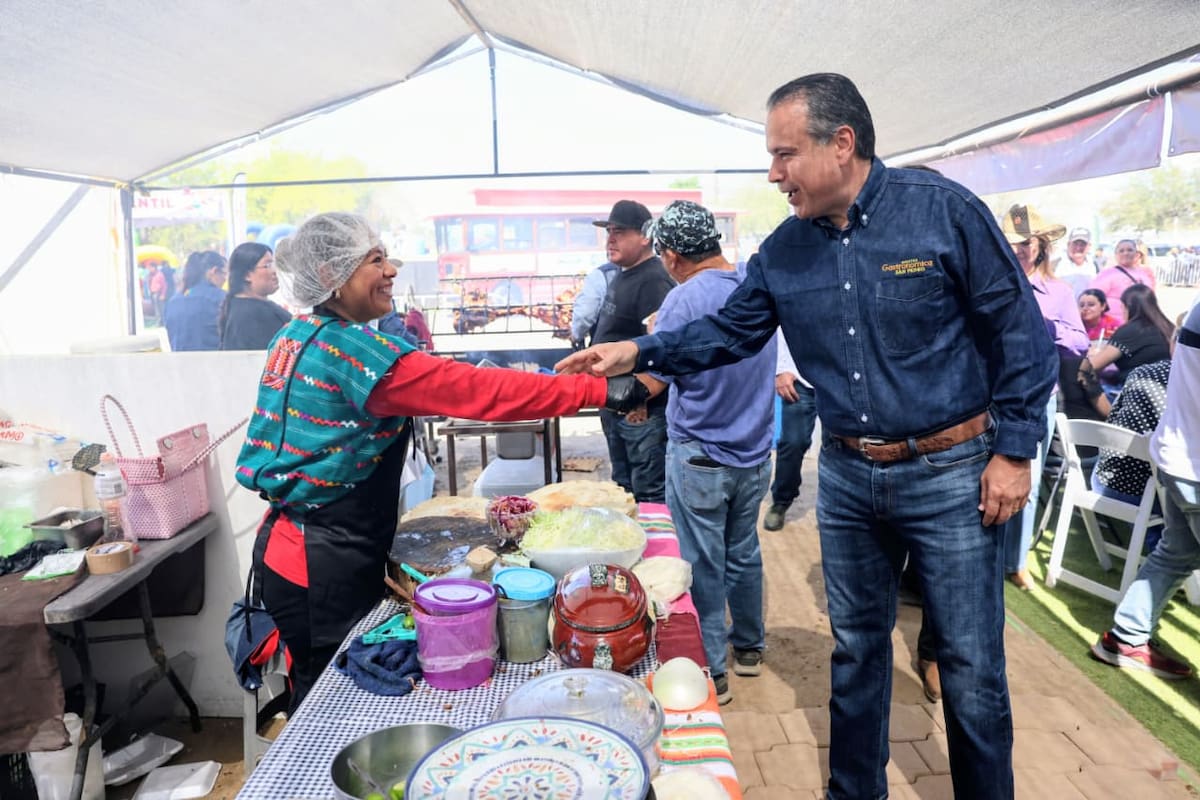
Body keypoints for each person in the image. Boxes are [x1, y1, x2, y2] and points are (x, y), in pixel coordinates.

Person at [557, 73, 1056, 800]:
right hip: (850, 474)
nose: (774, 172)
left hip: (953, 470)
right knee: (856, 651)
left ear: (842, 143)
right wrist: (637, 352)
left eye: (786, 153)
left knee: (973, 665)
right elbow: (730, 331)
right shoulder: (786, 250)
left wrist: (1014, 452)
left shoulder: (941, 212)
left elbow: (1021, 335)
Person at [234, 212, 649, 710]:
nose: (391, 271)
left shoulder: (300, 335)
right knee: (332, 697)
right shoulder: (353, 353)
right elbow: (479, 391)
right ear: (331, 277)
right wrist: (601, 389)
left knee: (321, 681)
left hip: (298, 548)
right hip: (319, 564)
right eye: (375, 260)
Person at [632, 200, 776, 705]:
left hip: (701, 458)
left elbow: (656, 377)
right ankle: (751, 649)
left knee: (701, 564)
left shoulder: (683, 301)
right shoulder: (753, 291)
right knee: (744, 552)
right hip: (756, 455)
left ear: (671, 255)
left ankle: (712, 671)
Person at [1090, 302, 1200, 680]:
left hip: (1175, 460)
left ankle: (1125, 638)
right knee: (1176, 553)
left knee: (1177, 553)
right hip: (1188, 466)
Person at [998, 203, 1089, 590]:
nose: (1018, 248)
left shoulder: (1058, 292)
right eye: (1012, 242)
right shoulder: (991, 283)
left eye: (1025, 242)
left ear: (1040, 246)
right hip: (988, 396)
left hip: (1036, 398)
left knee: (1028, 482)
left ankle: (1015, 561)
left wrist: (1049, 326)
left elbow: (1080, 343)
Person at [590, 200, 675, 503]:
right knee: (623, 486)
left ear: (645, 236)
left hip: (639, 409)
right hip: (617, 401)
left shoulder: (653, 280)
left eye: (620, 232)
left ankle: (654, 549)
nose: (610, 239)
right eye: (609, 232)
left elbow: (662, 345)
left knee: (647, 492)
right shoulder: (624, 273)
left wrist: (640, 399)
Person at [1090, 359, 1170, 553]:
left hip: (1103, 481)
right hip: (1147, 495)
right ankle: (1162, 554)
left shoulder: (1143, 371)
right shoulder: (1190, 384)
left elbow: (1112, 420)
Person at [1077, 284, 1174, 412]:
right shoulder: (1168, 328)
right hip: (1166, 394)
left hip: (1134, 396)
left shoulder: (1131, 330)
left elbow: (1092, 366)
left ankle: (1109, 419)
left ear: (1127, 307)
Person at [762, 335, 817, 532]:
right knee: (793, 442)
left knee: (841, 447)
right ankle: (782, 500)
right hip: (798, 378)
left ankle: (835, 509)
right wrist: (780, 370)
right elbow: (781, 327)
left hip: (839, 378)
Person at [220, 243, 292, 350]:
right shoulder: (251, 314)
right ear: (247, 275)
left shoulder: (243, 306)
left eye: (273, 265)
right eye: (267, 266)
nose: (274, 271)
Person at [163, 251, 227, 351]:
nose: (225, 279)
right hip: (213, 363)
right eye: (224, 273)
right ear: (214, 271)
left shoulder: (173, 302)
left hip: (179, 363)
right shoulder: (221, 298)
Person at [1089, 238, 1156, 322]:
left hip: (1140, 323)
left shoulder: (1144, 274)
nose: (1126, 253)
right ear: (1116, 255)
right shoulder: (1106, 274)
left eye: (1130, 250)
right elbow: (1092, 298)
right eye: (1121, 251)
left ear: (1136, 254)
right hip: (1113, 325)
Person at [569, 261, 619, 348]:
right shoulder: (649, 272)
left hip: (606, 349)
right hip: (644, 349)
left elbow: (584, 314)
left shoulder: (601, 275)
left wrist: (576, 335)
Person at [1057, 227, 1095, 298]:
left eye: (1082, 244)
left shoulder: (1095, 266)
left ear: (1089, 246)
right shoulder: (1055, 266)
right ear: (1068, 244)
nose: (1078, 248)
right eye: (1075, 244)